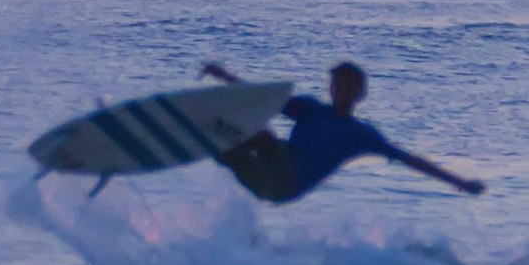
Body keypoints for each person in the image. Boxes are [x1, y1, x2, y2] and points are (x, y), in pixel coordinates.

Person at [198, 60, 485, 203]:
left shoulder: (361, 134)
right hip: (261, 181)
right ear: (330, 88)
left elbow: (410, 160)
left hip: (286, 186)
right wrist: (225, 76)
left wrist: (459, 182)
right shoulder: (309, 108)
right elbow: (262, 99)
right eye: (338, 85)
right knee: (234, 138)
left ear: (361, 93)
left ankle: (213, 134)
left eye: (349, 87)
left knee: (261, 135)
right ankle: (202, 140)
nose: (342, 91)